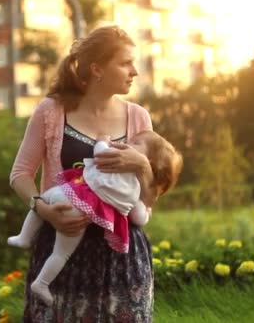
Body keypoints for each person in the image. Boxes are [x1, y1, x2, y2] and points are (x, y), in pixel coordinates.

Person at [10, 25, 161, 321]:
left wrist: (143, 166)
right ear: (97, 69)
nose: (135, 71)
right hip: (61, 249)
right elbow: (20, 174)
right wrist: (45, 211)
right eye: (125, 62)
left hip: (122, 258)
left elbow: (151, 198)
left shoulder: (138, 117)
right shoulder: (51, 111)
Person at [8, 131, 182, 306]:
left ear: (148, 161)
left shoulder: (119, 162)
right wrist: (146, 210)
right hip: (77, 210)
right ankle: (41, 283)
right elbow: (138, 217)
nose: (128, 143)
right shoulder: (135, 189)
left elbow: (100, 153)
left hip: (69, 193)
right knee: (61, 252)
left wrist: (102, 141)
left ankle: (24, 237)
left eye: (136, 143)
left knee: (42, 200)